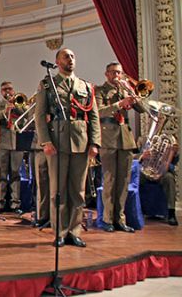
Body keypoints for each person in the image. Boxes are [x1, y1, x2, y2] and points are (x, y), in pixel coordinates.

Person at [34, 48, 101, 248]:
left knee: (78, 192)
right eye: (65, 56)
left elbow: (94, 116)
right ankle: (60, 232)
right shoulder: (48, 84)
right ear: (57, 61)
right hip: (57, 141)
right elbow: (40, 115)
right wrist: (45, 141)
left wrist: (95, 142)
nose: (70, 59)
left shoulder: (86, 86)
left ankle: (74, 231)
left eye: (72, 56)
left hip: (81, 142)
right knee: (58, 191)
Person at [95, 62, 147, 233]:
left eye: (120, 73)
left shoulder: (126, 90)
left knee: (123, 181)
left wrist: (132, 92)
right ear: (107, 74)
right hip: (108, 138)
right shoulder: (100, 90)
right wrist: (118, 104)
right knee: (110, 180)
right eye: (114, 73)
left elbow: (142, 109)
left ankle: (120, 219)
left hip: (125, 139)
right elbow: (98, 112)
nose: (117, 76)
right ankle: (107, 219)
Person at [0, 81, 25, 214]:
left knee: (15, 173)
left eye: (10, 89)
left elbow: (26, 116)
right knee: (1, 173)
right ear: (1, 92)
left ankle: (15, 203)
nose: (8, 91)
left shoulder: (20, 102)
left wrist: (16, 107)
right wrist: (5, 110)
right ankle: (0, 202)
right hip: (3, 141)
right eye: (5, 89)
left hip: (17, 141)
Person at [139, 143, 178, 226]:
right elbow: (133, 157)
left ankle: (171, 213)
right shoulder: (144, 141)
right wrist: (142, 157)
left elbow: (174, 161)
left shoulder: (170, 142)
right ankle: (134, 211)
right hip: (145, 171)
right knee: (135, 177)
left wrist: (174, 153)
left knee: (169, 178)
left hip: (161, 173)